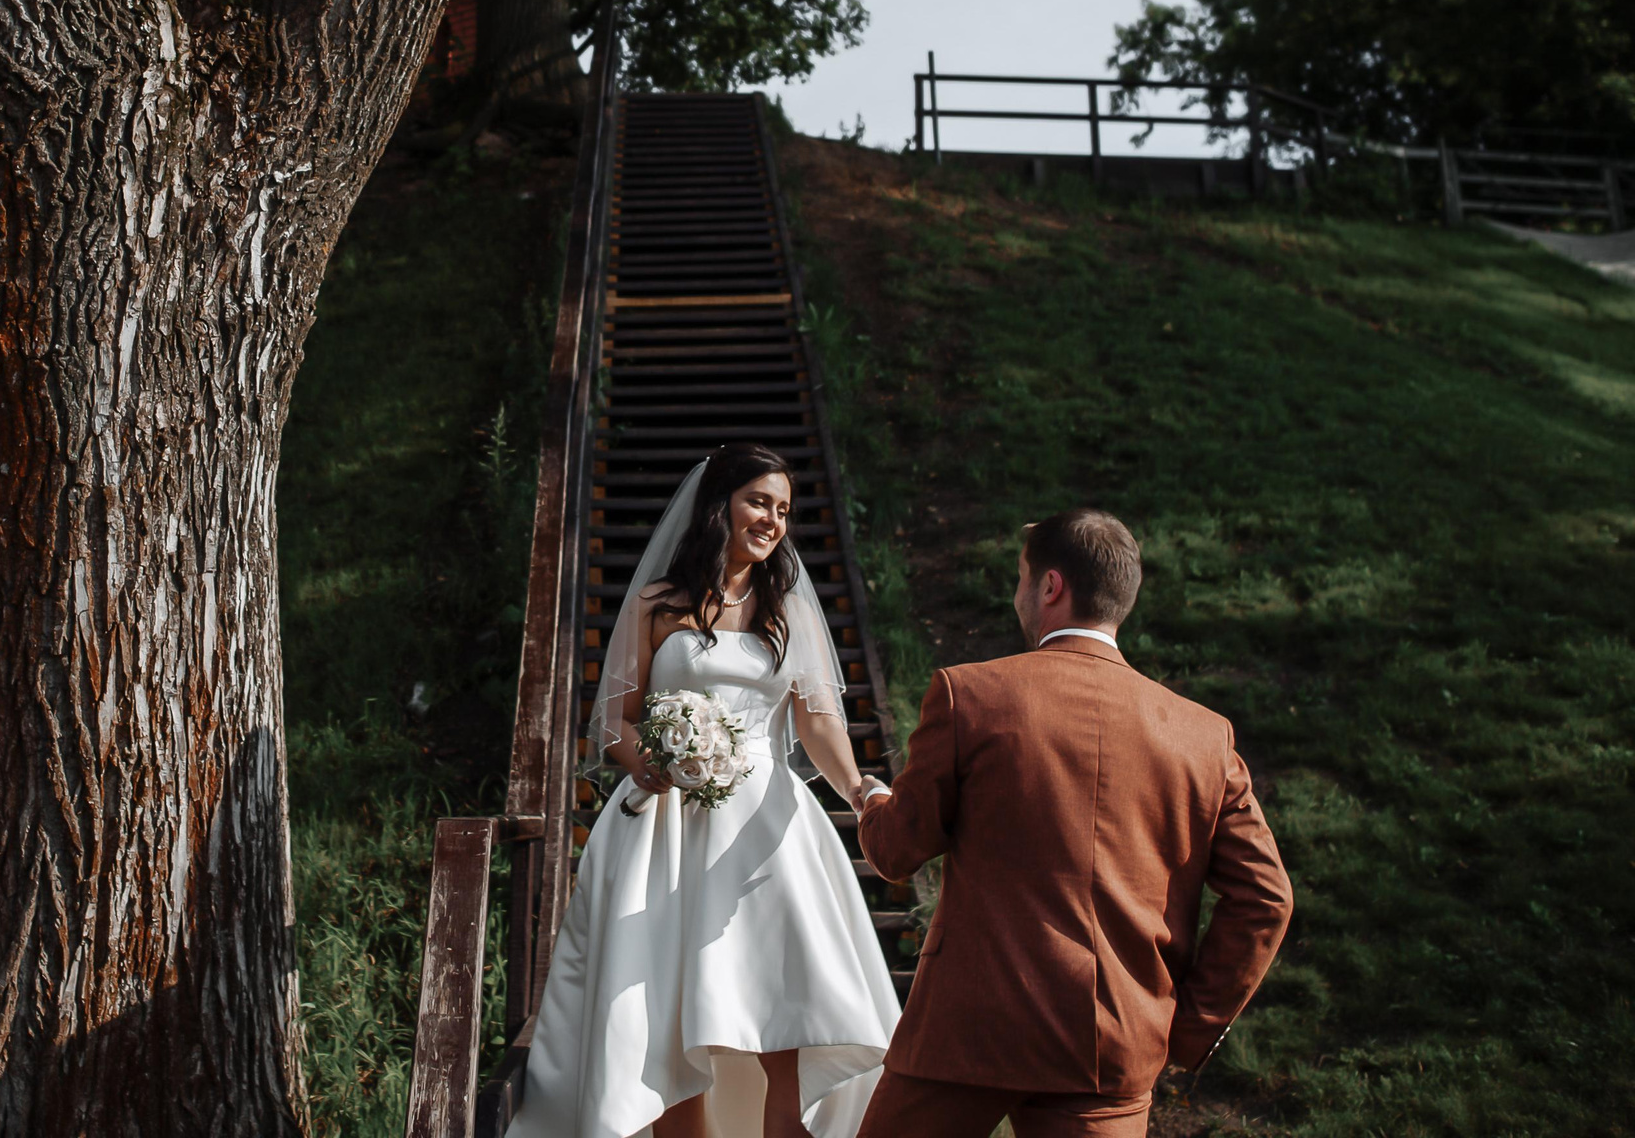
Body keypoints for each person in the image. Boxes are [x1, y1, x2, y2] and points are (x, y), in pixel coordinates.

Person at [853, 508, 1293, 1138]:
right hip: (1111, 1043)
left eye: (1021, 577)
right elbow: (1267, 898)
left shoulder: (968, 696)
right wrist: (1185, 1026)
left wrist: (871, 799)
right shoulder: (1204, 737)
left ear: (1051, 587)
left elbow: (897, 852)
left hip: (967, 1032)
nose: (1018, 595)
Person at [513, 444, 902, 1138]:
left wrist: (858, 788)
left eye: (783, 509)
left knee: (785, 978)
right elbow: (613, 721)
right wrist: (647, 762)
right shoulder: (658, 603)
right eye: (759, 501)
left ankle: (787, 1123)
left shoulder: (788, 612)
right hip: (665, 822)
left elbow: (817, 722)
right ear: (719, 504)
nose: (773, 520)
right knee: (659, 993)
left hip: (765, 820)